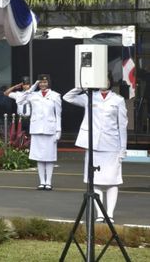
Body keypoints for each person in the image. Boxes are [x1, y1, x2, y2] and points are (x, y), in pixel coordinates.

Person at [63, 76, 127, 223]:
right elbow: (68, 97)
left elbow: (122, 126)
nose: (104, 83)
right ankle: (100, 214)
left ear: (111, 82)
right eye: (101, 80)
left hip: (112, 145)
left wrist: (123, 148)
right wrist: (84, 85)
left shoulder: (118, 100)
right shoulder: (90, 97)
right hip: (93, 144)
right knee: (95, 181)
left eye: (107, 80)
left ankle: (109, 214)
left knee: (113, 180)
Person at [17, 74, 62, 190]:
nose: (43, 84)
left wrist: (58, 131)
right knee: (39, 157)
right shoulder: (33, 95)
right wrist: (32, 87)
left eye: (45, 82)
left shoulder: (55, 96)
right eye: (41, 82)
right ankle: (42, 181)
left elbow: (58, 115)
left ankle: (49, 182)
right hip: (37, 129)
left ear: (49, 83)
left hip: (50, 129)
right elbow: (20, 100)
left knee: (50, 157)